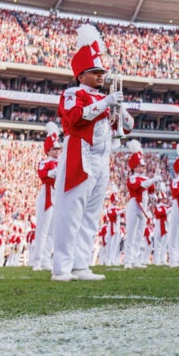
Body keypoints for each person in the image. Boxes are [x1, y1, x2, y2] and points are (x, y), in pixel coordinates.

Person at [52, 23, 133, 282]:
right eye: (95, 71)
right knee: (71, 212)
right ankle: (61, 268)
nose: (101, 76)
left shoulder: (102, 99)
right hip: (80, 156)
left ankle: (81, 264)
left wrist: (121, 111)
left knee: (90, 215)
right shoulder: (72, 93)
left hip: (101, 159)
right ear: (81, 74)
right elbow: (75, 119)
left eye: (101, 71)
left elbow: (126, 127)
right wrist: (106, 102)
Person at [32, 123, 61, 271]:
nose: (57, 151)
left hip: (58, 197)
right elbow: (43, 175)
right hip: (47, 195)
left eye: (58, 148)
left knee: (52, 231)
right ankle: (36, 261)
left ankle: (46, 259)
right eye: (55, 148)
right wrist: (54, 173)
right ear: (48, 149)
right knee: (42, 230)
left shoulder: (61, 163)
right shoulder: (45, 162)